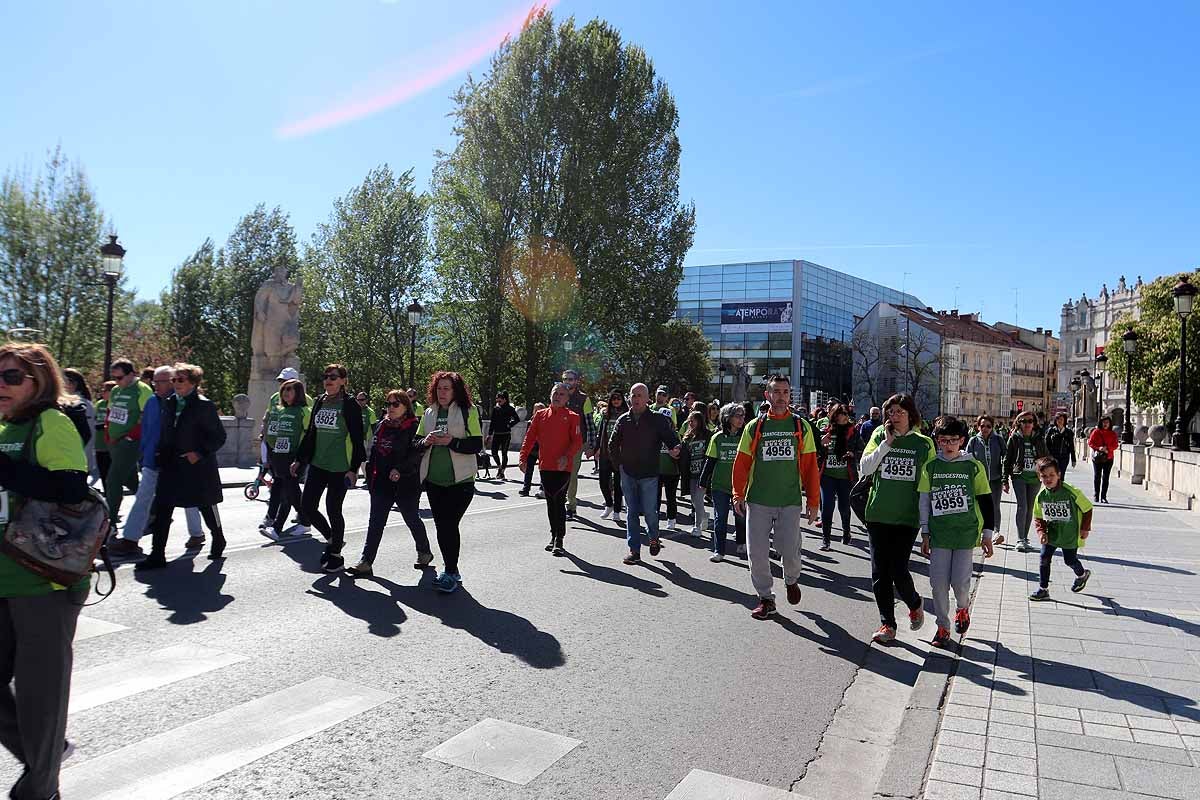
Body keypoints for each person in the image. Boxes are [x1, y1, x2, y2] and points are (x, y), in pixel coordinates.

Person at [0, 342, 90, 800]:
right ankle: (45, 757)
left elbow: (71, 489)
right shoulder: (2, 427)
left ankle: (39, 788)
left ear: (38, 382)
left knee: (41, 698)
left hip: (42, 579)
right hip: (2, 577)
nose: (1, 385)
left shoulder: (50, 422)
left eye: (12, 377)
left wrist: (7, 470)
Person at [731, 375, 821, 620]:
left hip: (789, 500)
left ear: (790, 396)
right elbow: (741, 463)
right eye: (776, 392)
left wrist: (813, 501)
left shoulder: (800, 426)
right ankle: (766, 598)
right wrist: (738, 493)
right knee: (757, 552)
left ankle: (791, 579)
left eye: (785, 392)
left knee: (789, 550)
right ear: (767, 396)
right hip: (758, 499)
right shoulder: (755, 426)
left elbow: (810, 465)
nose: (781, 396)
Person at [134, 363, 228, 569]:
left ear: (193, 383)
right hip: (171, 465)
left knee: (205, 505)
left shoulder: (204, 406)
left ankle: (218, 537)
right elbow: (166, 433)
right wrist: (158, 454)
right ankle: (157, 555)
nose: (175, 383)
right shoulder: (168, 403)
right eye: (174, 380)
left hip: (197, 467)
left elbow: (219, 437)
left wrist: (199, 453)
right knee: (162, 508)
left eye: (181, 380)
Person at [110, 365, 209, 559]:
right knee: (143, 497)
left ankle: (197, 534)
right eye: (155, 381)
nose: (156, 385)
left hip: (179, 461)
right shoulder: (152, 402)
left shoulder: (186, 403)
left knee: (188, 498)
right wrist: (144, 453)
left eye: (161, 381)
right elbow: (146, 429)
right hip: (152, 459)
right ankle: (130, 540)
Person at [859, 393, 935, 643]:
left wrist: (927, 526)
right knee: (880, 572)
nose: (895, 416)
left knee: (899, 570)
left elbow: (929, 485)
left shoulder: (923, 444)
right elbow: (865, 468)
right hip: (878, 513)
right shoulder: (880, 436)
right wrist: (885, 445)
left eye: (900, 412)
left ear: (911, 415)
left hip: (907, 517)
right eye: (890, 412)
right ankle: (887, 625)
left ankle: (914, 602)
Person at [918, 415, 995, 648]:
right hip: (940, 534)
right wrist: (925, 532)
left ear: (962, 440)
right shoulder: (931, 466)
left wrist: (988, 534)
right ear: (937, 441)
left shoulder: (973, 465)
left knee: (961, 583)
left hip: (965, 533)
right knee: (938, 583)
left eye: (953, 440)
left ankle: (962, 609)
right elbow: (924, 500)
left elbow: (985, 500)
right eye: (943, 440)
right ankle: (942, 626)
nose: (948, 445)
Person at [292, 364, 366, 573]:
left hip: (339, 467)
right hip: (317, 464)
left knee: (334, 509)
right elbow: (311, 434)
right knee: (306, 507)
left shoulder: (350, 404)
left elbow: (357, 439)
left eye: (333, 376)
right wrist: (299, 460)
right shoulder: (319, 401)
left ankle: (336, 555)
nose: (328, 380)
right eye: (325, 376)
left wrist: (354, 469)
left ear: (343, 380)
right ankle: (333, 538)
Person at [350, 390, 432, 576]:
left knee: (411, 519)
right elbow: (375, 452)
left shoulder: (414, 426)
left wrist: (400, 469)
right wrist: (370, 475)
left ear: (406, 406)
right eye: (388, 404)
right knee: (376, 522)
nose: (391, 408)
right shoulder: (381, 425)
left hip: (406, 482)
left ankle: (424, 551)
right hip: (381, 483)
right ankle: (366, 561)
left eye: (396, 404)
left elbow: (416, 454)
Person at [416, 371, 483, 593]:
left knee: (448, 526)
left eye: (447, 388)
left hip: (461, 481)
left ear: (456, 391)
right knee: (443, 526)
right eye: (439, 388)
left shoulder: (468, 411)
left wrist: (451, 441)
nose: (442, 392)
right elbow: (417, 443)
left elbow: (475, 445)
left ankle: (451, 571)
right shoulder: (428, 412)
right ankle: (451, 570)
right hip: (434, 481)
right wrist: (426, 441)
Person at [608, 383, 681, 565]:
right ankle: (634, 550)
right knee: (631, 512)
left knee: (649, 511)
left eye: (640, 395)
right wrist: (619, 467)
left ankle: (654, 538)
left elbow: (672, 439)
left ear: (648, 398)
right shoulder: (623, 420)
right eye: (633, 395)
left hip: (649, 474)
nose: (636, 399)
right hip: (628, 473)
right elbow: (612, 444)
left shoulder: (657, 420)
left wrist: (675, 448)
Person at [520, 383, 583, 556]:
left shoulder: (572, 417)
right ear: (550, 395)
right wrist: (523, 457)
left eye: (562, 394)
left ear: (567, 399)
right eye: (555, 393)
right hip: (545, 465)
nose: (558, 396)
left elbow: (577, 441)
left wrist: (566, 456)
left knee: (558, 499)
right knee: (550, 502)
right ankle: (553, 535)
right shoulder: (540, 415)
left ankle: (559, 539)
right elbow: (530, 437)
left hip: (563, 467)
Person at [1029, 457, 1093, 601]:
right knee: (1044, 558)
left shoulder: (1071, 492)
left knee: (1069, 561)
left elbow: (1087, 508)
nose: (1048, 479)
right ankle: (1043, 589)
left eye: (1051, 475)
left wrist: (1085, 529)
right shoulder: (1041, 496)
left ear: (1059, 474)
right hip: (1051, 534)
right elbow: (1038, 517)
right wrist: (1041, 532)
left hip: (1069, 534)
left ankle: (1082, 575)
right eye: (1044, 476)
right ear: (1039, 477)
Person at [258, 367, 311, 530]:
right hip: (277, 450)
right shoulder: (275, 398)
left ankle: (290, 522)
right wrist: (266, 441)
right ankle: (274, 519)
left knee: (289, 488)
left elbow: (309, 431)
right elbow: (269, 419)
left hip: (295, 454)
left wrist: (302, 456)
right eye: (281, 382)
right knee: (280, 486)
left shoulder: (307, 402)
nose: (283, 387)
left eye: (287, 383)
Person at [102, 358, 152, 525]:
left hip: (130, 443)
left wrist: (128, 437)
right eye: (114, 377)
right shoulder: (115, 390)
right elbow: (110, 412)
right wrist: (108, 435)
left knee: (113, 479)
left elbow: (147, 418)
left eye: (119, 377)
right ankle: (154, 510)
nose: (116, 381)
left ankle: (110, 520)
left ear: (131, 374)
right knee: (130, 480)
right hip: (114, 443)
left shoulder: (142, 390)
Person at [700, 402, 747, 561]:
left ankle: (741, 543)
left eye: (743, 415)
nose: (741, 419)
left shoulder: (746, 436)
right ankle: (719, 551)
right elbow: (710, 461)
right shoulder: (717, 437)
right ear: (728, 418)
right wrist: (703, 481)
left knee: (740, 517)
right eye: (737, 415)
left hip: (740, 487)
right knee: (720, 518)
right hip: (719, 485)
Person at [819, 402, 863, 550]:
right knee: (827, 507)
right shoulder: (827, 430)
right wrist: (821, 443)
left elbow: (862, 450)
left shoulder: (853, 431)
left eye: (845, 414)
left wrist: (852, 454)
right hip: (827, 476)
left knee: (844, 507)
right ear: (834, 416)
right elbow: (816, 452)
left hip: (845, 476)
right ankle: (826, 540)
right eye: (840, 415)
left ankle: (846, 531)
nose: (843, 417)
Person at [1003, 411, 1049, 552]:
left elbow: (1046, 457)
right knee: (1022, 506)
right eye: (1024, 421)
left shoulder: (1039, 438)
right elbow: (1007, 459)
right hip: (1019, 476)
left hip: (1035, 477)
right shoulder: (1015, 438)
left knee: (1030, 508)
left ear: (1034, 423)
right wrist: (1005, 480)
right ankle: (1020, 539)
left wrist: (1047, 476)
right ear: (1019, 423)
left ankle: (1025, 538)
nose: (1027, 424)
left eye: (1030, 421)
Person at [560, 370, 595, 521]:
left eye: (571, 379)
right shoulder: (558, 396)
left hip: (577, 442)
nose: (568, 381)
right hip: (559, 441)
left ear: (576, 381)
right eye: (565, 379)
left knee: (571, 475)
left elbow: (590, 423)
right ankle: (559, 504)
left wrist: (591, 444)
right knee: (559, 474)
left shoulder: (584, 399)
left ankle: (571, 506)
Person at [967, 415, 1007, 546]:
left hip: (995, 480)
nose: (985, 428)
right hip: (978, 481)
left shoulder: (998, 440)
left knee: (995, 506)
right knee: (978, 507)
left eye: (988, 426)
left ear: (992, 427)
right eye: (982, 426)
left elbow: (1005, 456)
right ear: (978, 426)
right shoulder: (973, 441)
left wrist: (1005, 476)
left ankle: (996, 533)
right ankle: (980, 532)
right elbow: (968, 459)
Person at [651, 386, 682, 531]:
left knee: (671, 497)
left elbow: (680, 451)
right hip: (656, 469)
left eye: (667, 419)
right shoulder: (654, 435)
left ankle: (672, 519)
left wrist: (674, 452)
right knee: (655, 497)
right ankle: (654, 519)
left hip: (671, 470)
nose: (665, 422)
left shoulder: (675, 435)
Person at [678, 411, 713, 538]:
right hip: (691, 473)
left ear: (700, 421)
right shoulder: (687, 438)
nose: (690, 423)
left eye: (693, 420)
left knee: (698, 499)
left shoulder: (708, 435)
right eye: (689, 420)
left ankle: (697, 527)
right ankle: (704, 516)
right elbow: (683, 454)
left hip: (703, 473)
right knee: (694, 500)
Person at [595, 389, 626, 523]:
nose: (616, 401)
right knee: (603, 483)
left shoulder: (627, 414)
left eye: (618, 398)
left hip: (620, 455)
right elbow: (601, 432)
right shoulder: (606, 414)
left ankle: (617, 511)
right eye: (613, 398)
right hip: (605, 454)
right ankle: (609, 504)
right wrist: (597, 449)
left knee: (618, 485)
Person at [61, 369, 97, 482]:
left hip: (78, 461)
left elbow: (87, 435)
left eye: (62, 381)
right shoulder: (64, 403)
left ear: (73, 384)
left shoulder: (82, 405)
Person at [487, 391, 521, 482]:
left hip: (505, 434)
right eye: (497, 398)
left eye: (500, 398)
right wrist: (489, 434)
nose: (498, 400)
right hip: (496, 434)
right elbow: (492, 422)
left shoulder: (510, 408)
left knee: (504, 453)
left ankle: (502, 471)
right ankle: (499, 467)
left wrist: (510, 425)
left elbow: (517, 419)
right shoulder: (495, 408)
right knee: (493, 452)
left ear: (505, 399)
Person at [1088, 416, 1118, 503]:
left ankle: (1103, 496)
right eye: (1104, 422)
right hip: (1097, 457)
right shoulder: (1096, 432)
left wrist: (1107, 448)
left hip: (1108, 457)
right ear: (1101, 423)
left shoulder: (1112, 433)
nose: (1105, 424)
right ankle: (1096, 495)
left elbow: (1115, 445)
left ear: (1110, 424)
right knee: (1097, 476)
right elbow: (1090, 443)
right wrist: (1099, 448)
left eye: (1107, 423)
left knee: (1106, 477)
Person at [94, 380, 114, 487]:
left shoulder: (115, 404)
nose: (103, 392)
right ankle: (106, 494)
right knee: (102, 471)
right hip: (99, 444)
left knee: (111, 472)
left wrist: (104, 426)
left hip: (111, 444)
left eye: (106, 390)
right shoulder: (100, 404)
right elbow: (95, 419)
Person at [1045, 412, 1077, 479]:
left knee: (1061, 475)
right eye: (1058, 419)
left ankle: (1060, 488)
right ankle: (1054, 488)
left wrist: (1073, 459)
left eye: (1061, 419)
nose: (1059, 421)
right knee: (1054, 474)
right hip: (1053, 456)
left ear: (1064, 421)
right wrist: (1047, 456)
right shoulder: (1051, 431)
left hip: (1064, 457)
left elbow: (1071, 446)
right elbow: (1046, 444)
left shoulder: (1068, 432)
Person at [356, 391, 378, 476]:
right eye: (357, 399)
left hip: (366, 439)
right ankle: (353, 477)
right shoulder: (354, 409)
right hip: (354, 438)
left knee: (363, 459)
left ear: (366, 400)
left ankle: (367, 476)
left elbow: (374, 427)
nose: (359, 401)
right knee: (355, 458)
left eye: (362, 399)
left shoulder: (370, 412)